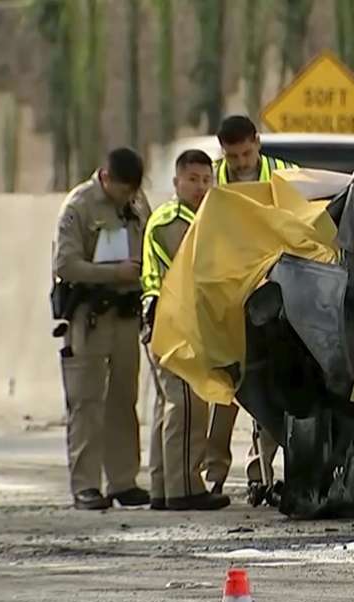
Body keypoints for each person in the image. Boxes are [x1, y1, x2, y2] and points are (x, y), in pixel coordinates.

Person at [52, 147, 151, 510]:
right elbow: (66, 264)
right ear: (105, 178)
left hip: (127, 316)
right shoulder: (79, 206)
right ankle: (86, 485)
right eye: (124, 189)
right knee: (87, 402)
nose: (130, 197)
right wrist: (113, 273)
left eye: (134, 190)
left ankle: (123, 480)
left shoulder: (137, 206)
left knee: (124, 401)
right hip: (91, 317)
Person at [211, 114, 297, 506]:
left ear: (257, 143)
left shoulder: (282, 174)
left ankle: (274, 471)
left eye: (246, 153)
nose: (242, 162)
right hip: (232, 299)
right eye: (234, 156)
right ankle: (239, 475)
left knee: (280, 385)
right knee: (238, 389)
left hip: (279, 296)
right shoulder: (213, 181)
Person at [140, 149, 231, 511]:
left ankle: (163, 486)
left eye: (206, 179)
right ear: (176, 182)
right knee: (186, 404)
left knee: (169, 405)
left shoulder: (203, 217)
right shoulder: (172, 222)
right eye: (192, 179)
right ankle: (185, 488)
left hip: (177, 323)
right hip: (172, 322)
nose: (200, 186)